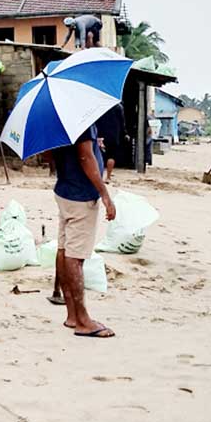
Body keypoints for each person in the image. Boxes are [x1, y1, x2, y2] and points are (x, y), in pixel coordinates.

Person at [52, 124, 117, 337]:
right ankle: (82, 320)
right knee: (75, 256)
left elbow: (50, 156)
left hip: (64, 189)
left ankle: (72, 315)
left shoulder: (57, 120)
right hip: (81, 195)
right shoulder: (80, 119)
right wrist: (105, 195)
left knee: (64, 249)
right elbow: (85, 157)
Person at [95, 102, 128, 183]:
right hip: (114, 136)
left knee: (99, 156)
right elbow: (122, 122)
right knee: (111, 156)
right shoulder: (118, 107)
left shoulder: (100, 105)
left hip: (101, 135)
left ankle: (99, 177)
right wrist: (124, 133)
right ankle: (108, 177)